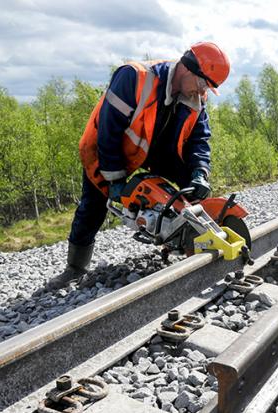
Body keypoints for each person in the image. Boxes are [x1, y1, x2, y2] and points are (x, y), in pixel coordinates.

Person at [45, 42, 230, 290]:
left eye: (208, 87)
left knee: (191, 189)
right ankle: (75, 268)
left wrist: (200, 172)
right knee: (93, 206)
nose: (203, 91)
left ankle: (185, 240)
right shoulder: (134, 77)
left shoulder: (196, 96)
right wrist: (115, 180)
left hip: (154, 149)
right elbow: (108, 132)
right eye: (203, 83)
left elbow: (199, 139)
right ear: (187, 70)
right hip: (107, 150)